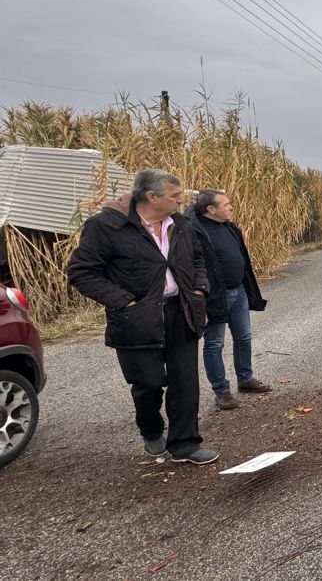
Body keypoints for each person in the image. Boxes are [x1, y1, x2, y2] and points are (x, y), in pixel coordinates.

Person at [67, 169, 218, 464]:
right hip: (137, 317)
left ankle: (185, 444)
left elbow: (197, 259)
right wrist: (124, 302)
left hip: (182, 310)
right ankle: (151, 430)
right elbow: (81, 272)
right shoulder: (107, 226)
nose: (180, 201)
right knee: (148, 382)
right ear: (152, 197)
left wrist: (199, 290)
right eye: (174, 196)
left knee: (184, 381)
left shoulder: (182, 224)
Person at [187, 190, 270, 410]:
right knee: (214, 343)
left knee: (244, 337)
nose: (231, 207)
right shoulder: (193, 230)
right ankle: (221, 390)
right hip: (215, 296)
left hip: (238, 291)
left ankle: (245, 379)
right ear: (211, 209)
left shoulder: (229, 227)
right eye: (226, 204)